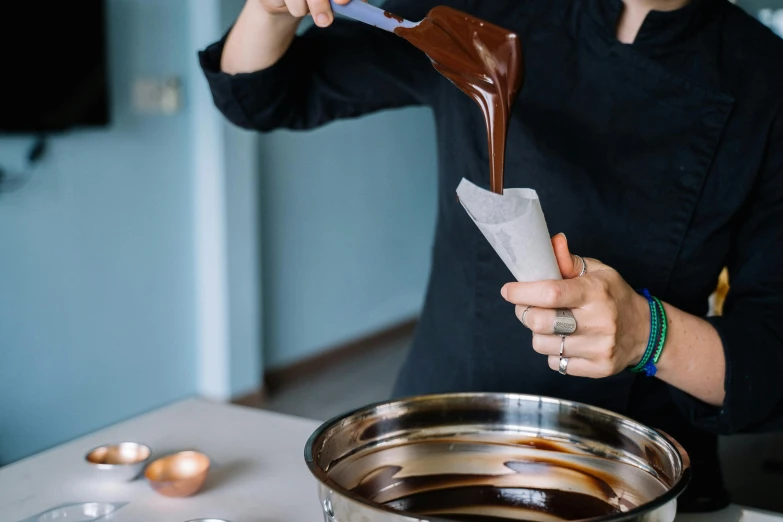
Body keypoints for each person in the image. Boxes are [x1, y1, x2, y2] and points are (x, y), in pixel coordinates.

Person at [199, 0, 783, 512]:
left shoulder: (766, 78)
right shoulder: (479, 8)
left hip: (633, 468)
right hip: (444, 439)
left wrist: (648, 335)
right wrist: (269, 9)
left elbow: (772, 361)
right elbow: (265, 95)